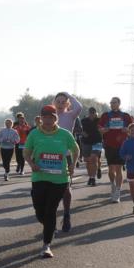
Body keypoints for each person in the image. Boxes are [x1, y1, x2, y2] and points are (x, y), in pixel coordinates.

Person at [24, 104, 79, 257]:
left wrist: (73, 165)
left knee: (50, 210)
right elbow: (26, 152)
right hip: (39, 177)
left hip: (59, 179)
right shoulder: (34, 134)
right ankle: (50, 225)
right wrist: (32, 164)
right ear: (41, 118)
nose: (48, 120)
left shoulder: (65, 134)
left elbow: (76, 149)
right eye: (45, 117)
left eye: (51, 117)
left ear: (56, 118)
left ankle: (46, 245)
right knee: (39, 211)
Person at [54, 92, 82, 231]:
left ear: (67, 104)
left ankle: (66, 214)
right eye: (57, 101)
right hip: (49, 156)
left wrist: (68, 95)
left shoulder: (70, 115)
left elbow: (79, 107)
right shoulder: (49, 117)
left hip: (66, 156)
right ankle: (50, 218)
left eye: (62, 102)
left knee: (65, 189)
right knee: (50, 188)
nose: (59, 104)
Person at [98, 97, 134, 203]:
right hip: (109, 145)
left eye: (114, 102)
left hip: (122, 146)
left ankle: (118, 192)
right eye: (111, 103)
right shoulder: (105, 115)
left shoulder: (125, 116)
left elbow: (133, 129)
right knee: (110, 170)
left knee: (118, 169)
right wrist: (103, 130)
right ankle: (113, 185)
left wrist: (127, 130)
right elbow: (99, 128)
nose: (112, 104)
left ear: (119, 103)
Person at [80, 107, 103, 186]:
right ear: (88, 113)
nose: (92, 114)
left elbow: (105, 128)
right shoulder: (83, 121)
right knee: (88, 160)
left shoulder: (100, 120)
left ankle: (93, 178)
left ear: (96, 113)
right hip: (86, 142)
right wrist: (82, 133)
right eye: (90, 113)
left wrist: (102, 132)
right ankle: (90, 177)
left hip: (97, 142)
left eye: (93, 113)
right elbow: (78, 128)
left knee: (93, 158)